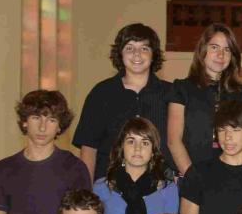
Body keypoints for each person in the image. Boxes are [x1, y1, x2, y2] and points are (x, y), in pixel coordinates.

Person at [73, 23, 174, 181]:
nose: (137, 54)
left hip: (159, 188)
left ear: (153, 54)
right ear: (120, 53)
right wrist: (87, 190)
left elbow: (178, 144)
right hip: (109, 186)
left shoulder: (171, 94)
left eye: (144, 48)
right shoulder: (101, 93)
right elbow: (89, 148)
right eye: (129, 48)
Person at [93, 117, 179, 214]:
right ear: (122, 147)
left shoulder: (168, 190)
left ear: (153, 151)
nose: (137, 148)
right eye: (131, 141)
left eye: (145, 143)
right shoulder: (101, 188)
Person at [167, 23, 242, 175]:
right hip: (192, 171)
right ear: (203, 50)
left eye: (227, 49)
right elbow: (174, 141)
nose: (221, 54)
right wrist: (192, 177)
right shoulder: (181, 88)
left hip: (231, 174)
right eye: (214, 47)